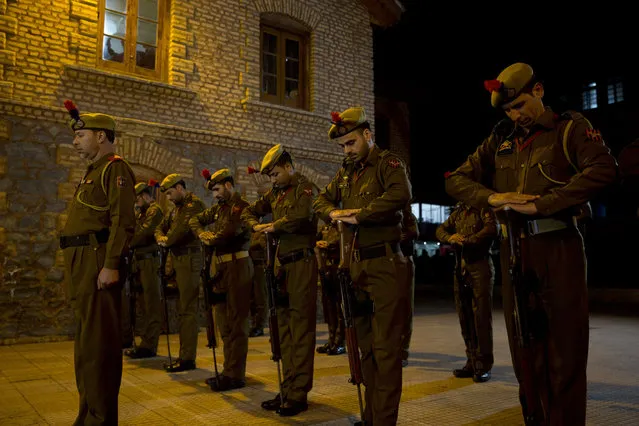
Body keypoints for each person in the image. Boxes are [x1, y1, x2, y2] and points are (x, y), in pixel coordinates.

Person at [445, 62, 617, 424]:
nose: (515, 114)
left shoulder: (569, 128)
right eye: (509, 109)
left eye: (520, 105)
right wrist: (491, 198)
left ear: (538, 91)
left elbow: (603, 168)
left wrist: (544, 203)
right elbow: (455, 180)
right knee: (525, 349)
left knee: (564, 354)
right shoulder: (501, 139)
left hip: (559, 247)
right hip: (514, 251)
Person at [313, 107, 412, 425]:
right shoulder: (344, 173)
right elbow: (320, 201)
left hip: (385, 265)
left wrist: (359, 214)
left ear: (368, 135)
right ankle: (371, 417)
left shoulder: (387, 163)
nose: (347, 150)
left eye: (351, 143)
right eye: (343, 146)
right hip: (354, 268)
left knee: (386, 351)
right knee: (365, 349)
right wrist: (333, 214)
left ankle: (383, 421)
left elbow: (401, 194)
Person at [60, 100, 136, 425]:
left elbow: (123, 221)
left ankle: (101, 418)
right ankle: (87, 413)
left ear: (102, 136)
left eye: (81, 135)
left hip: (97, 260)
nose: (75, 141)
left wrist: (111, 263)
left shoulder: (115, 168)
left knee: (99, 346)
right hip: (81, 261)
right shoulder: (94, 170)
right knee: (85, 345)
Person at [241, 144, 319, 417]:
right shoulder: (275, 193)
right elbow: (249, 212)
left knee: (300, 330)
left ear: (288, 166)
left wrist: (273, 225)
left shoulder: (305, 188)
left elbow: (302, 216)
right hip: (280, 267)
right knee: (283, 330)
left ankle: (299, 393)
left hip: (302, 264)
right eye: (270, 176)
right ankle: (286, 388)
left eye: (275, 174)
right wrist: (255, 225)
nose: (272, 180)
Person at [189, 168, 253, 391]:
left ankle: (236, 374)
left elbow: (228, 233)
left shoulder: (241, 208)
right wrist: (202, 234)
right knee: (224, 322)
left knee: (237, 322)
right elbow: (194, 220)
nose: (214, 195)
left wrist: (210, 238)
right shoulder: (218, 209)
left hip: (238, 265)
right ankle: (228, 370)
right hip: (221, 267)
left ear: (228, 185)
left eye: (217, 189)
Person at [435, 202, 496, 382]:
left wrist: (466, 240)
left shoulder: (484, 208)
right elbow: (440, 229)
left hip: (480, 265)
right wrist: (450, 237)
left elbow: (492, 230)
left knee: (482, 318)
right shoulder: (459, 212)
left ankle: (483, 364)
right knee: (465, 315)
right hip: (461, 267)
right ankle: (471, 361)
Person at [154, 174, 206, 372]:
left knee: (188, 310)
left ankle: (187, 358)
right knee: (182, 309)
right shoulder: (176, 209)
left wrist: (165, 240)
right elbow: (160, 227)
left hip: (189, 260)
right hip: (178, 260)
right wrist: (161, 237)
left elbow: (179, 232)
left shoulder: (194, 205)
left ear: (179, 188)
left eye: (169, 193)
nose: (168, 198)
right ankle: (184, 355)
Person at [124, 180, 164, 359]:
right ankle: (142, 340)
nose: (136, 202)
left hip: (150, 261)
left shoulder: (154, 211)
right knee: (141, 303)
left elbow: (143, 233)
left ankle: (149, 344)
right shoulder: (140, 212)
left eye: (138, 199)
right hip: (138, 261)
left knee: (151, 303)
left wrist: (128, 243)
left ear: (146, 196)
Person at [315, 223, 346, 356]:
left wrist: (329, 245)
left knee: (340, 307)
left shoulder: (343, 224)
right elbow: (314, 239)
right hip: (326, 267)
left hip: (339, 266)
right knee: (329, 306)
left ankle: (340, 342)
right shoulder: (325, 227)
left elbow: (346, 241)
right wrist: (318, 242)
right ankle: (331, 339)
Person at [400, 205, 419, 368]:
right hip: (388, 262)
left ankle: (403, 351)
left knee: (405, 309)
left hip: (405, 259)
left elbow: (414, 232)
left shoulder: (407, 214)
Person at [248, 226, 268, 337]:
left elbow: (264, 247)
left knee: (260, 297)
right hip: (250, 267)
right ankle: (254, 324)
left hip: (259, 267)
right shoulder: (247, 233)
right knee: (251, 298)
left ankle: (259, 326)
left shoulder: (260, 234)